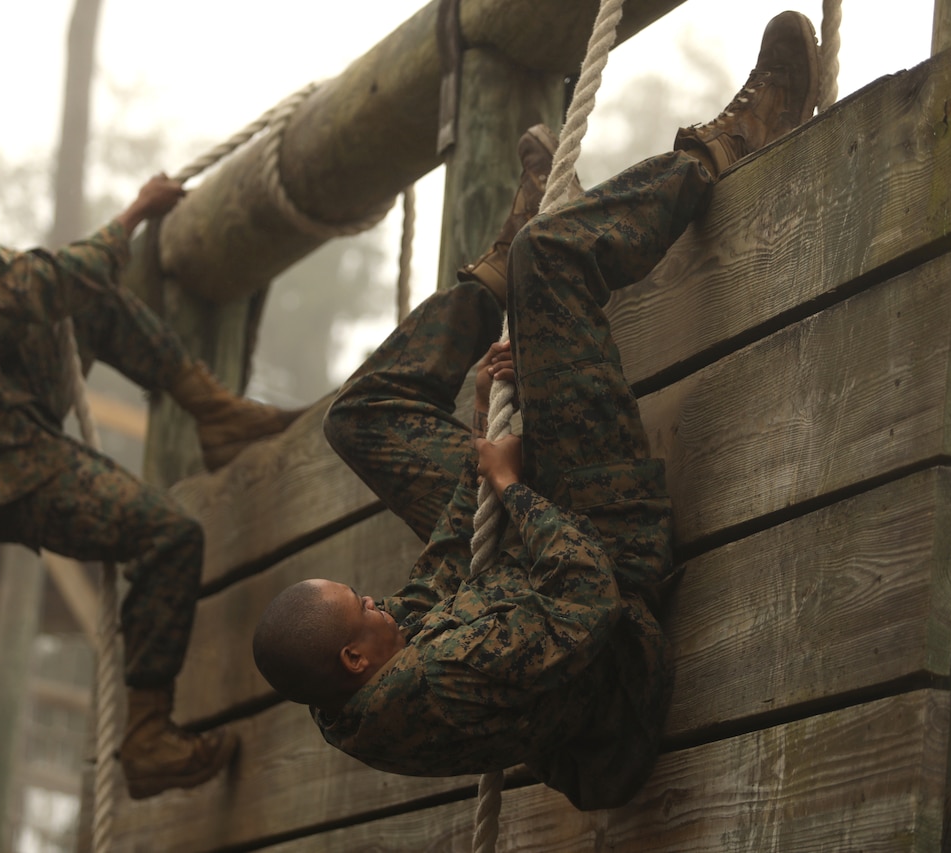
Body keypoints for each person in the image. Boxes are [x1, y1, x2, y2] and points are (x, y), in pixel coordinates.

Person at [253, 11, 820, 811]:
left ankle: (495, 273)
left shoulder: (353, 683)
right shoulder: (437, 679)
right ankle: (723, 148)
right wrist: (516, 489)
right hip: (612, 570)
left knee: (360, 419)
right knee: (549, 261)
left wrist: (488, 430)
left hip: (531, 567)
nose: (379, 600)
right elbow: (586, 592)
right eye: (365, 607)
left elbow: (443, 578)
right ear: (354, 655)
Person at [0, 148, 301, 798]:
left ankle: (215, 412)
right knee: (169, 534)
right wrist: (136, 213)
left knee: (87, 295)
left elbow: (52, 285)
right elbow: (39, 283)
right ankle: (147, 733)